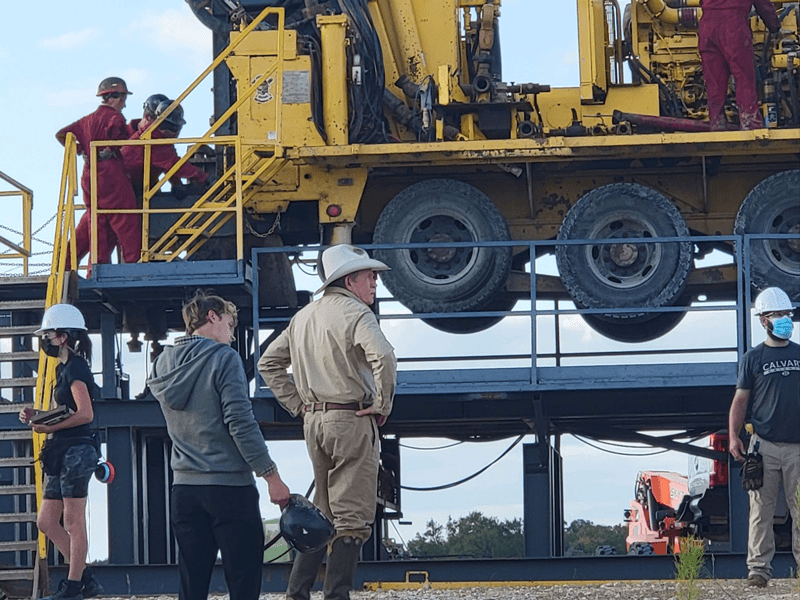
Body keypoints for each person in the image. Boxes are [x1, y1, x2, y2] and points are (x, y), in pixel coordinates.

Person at [258, 244, 397, 600]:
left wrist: (299, 404)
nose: (375, 283)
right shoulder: (357, 314)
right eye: (370, 276)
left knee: (323, 511)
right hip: (351, 417)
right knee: (352, 516)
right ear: (350, 280)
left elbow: (267, 364)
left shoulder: (304, 316)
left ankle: (297, 593)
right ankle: (337, 595)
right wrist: (382, 403)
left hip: (314, 422)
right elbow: (382, 355)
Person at [147, 290, 291, 600]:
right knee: (243, 580)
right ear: (213, 317)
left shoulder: (162, 364)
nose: (231, 333)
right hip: (229, 489)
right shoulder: (224, 359)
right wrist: (271, 476)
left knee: (192, 583)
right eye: (230, 323)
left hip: (184, 490)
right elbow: (239, 422)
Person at [18, 304, 104, 600]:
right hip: (64, 449)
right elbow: (70, 412)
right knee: (46, 521)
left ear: (63, 337)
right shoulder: (65, 368)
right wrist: (39, 416)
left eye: (49, 335)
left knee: (72, 521)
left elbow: (85, 414)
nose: (46, 341)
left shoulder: (76, 368)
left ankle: (75, 586)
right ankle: (84, 575)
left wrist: (49, 427)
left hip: (76, 451)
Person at [728, 286, 800, 588]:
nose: (784, 319)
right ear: (763, 320)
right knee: (761, 511)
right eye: (777, 315)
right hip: (764, 445)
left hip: (798, 446)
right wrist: (734, 436)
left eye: (787, 314)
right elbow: (740, 400)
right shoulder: (753, 358)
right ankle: (758, 570)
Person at [55, 77, 141, 268]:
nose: (124, 104)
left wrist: (80, 150)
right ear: (115, 98)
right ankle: (133, 265)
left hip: (90, 174)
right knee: (126, 219)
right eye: (123, 99)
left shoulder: (86, 120)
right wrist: (111, 147)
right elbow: (118, 131)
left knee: (97, 222)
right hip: (110, 174)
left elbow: (61, 134)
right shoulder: (115, 117)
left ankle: (97, 267)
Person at [698, 0, 781, 130]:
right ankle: (749, 120)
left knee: (714, 81)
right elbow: (762, 4)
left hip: (707, 28)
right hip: (733, 25)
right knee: (744, 76)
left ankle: (716, 122)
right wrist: (774, 26)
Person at [121, 99, 209, 201]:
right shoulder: (154, 140)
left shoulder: (154, 136)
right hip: (125, 188)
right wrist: (204, 178)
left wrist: (177, 184)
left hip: (134, 185)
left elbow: (168, 163)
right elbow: (174, 165)